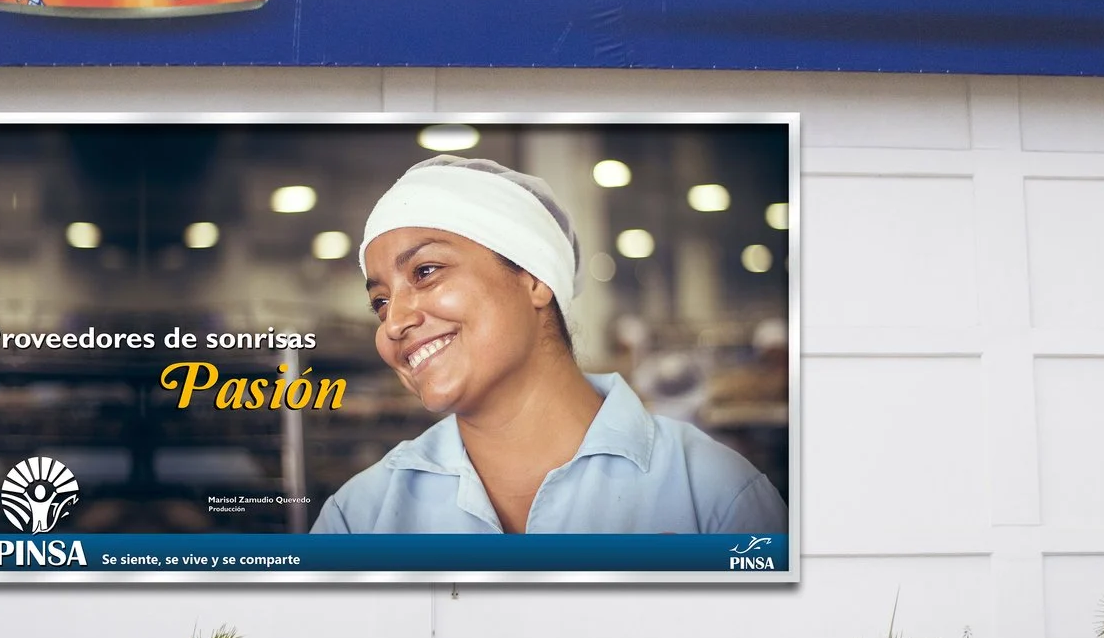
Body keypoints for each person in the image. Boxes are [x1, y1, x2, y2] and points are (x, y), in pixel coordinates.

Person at [312, 154, 788, 535]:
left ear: (535, 278)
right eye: (379, 301)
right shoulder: (361, 519)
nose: (393, 321)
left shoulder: (712, 496)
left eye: (426, 271)